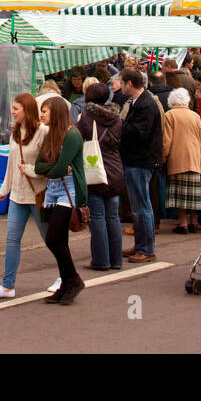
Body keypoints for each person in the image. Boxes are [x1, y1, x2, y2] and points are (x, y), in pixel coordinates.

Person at [0, 94, 53, 299]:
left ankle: (64, 276)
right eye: (12, 108)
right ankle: (7, 286)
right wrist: (4, 189)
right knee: (11, 240)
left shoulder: (44, 132)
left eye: (16, 108)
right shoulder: (15, 131)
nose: (12, 112)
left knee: (51, 239)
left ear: (27, 110)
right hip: (17, 194)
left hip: (37, 194)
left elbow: (49, 165)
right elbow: (11, 164)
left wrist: (30, 170)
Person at [25, 95, 87, 305]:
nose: (41, 114)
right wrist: (54, 168)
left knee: (53, 239)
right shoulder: (51, 135)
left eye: (45, 111)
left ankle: (74, 280)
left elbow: (58, 168)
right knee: (59, 240)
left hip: (68, 191)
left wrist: (52, 168)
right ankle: (67, 283)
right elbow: (41, 165)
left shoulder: (72, 136)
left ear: (57, 113)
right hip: (52, 190)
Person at [75, 83, 122, 272]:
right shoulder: (117, 118)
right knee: (113, 217)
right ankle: (116, 259)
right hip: (115, 169)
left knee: (98, 217)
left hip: (94, 169)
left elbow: (77, 140)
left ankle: (101, 260)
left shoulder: (86, 118)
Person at [119, 68, 162, 263]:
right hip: (136, 159)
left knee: (141, 206)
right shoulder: (140, 102)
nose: (119, 86)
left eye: (121, 82)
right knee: (139, 205)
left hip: (140, 160)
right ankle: (141, 244)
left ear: (129, 84)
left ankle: (146, 248)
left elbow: (139, 133)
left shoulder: (145, 105)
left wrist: (120, 126)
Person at [162, 87, 201, 233]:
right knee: (192, 193)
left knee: (180, 194)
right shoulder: (195, 116)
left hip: (177, 158)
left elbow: (166, 141)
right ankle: (193, 221)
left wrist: (163, 158)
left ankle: (183, 223)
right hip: (195, 158)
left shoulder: (169, 115)